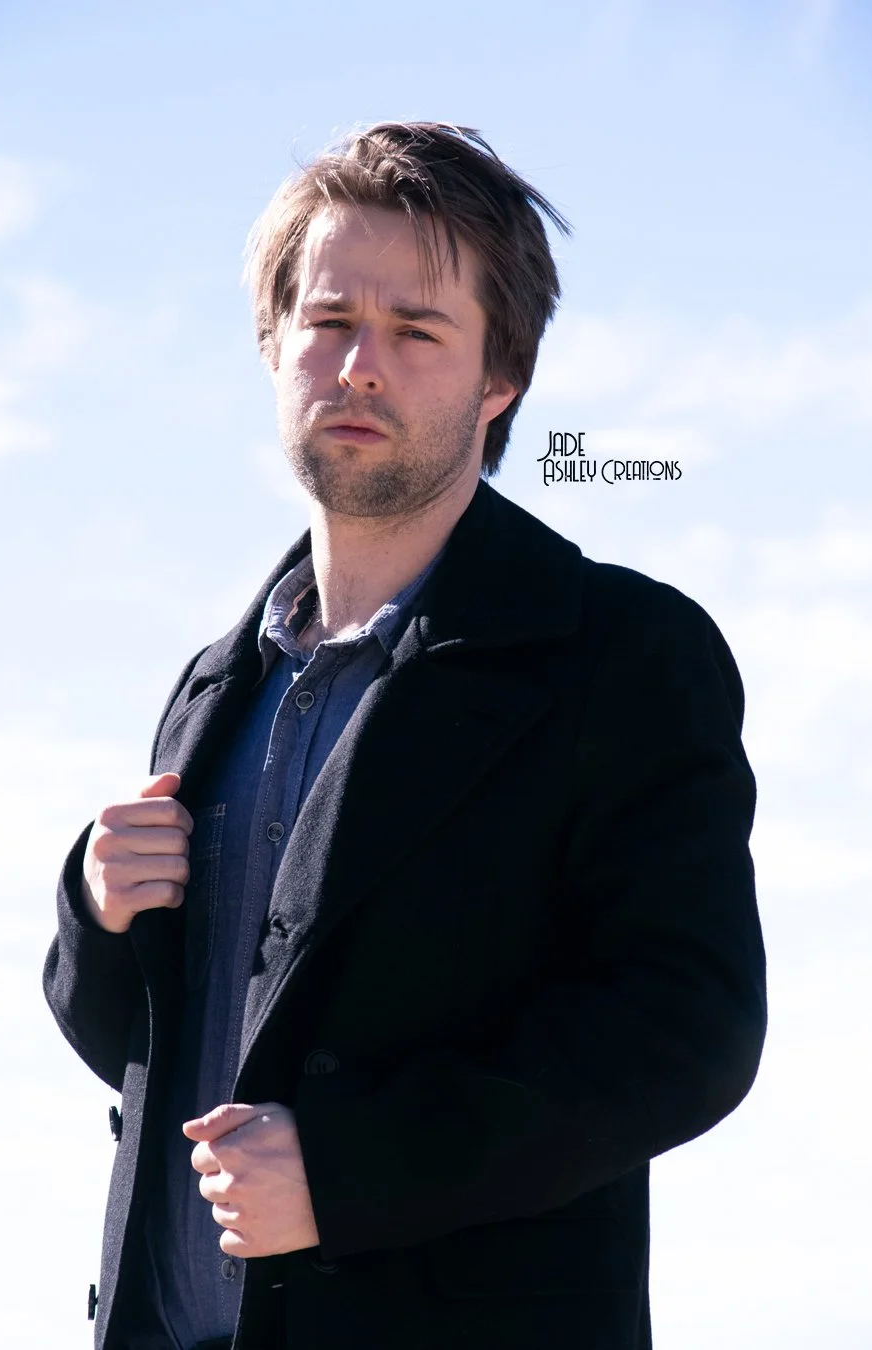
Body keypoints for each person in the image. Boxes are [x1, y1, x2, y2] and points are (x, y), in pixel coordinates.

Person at [43, 121, 766, 1350]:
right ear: (274, 347)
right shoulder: (215, 684)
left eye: (417, 330)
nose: (359, 364)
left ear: (502, 380)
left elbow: (685, 1033)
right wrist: (93, 913)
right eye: (328, 322)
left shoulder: (623, 653)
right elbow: (163, 1051)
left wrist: (347, 1171)